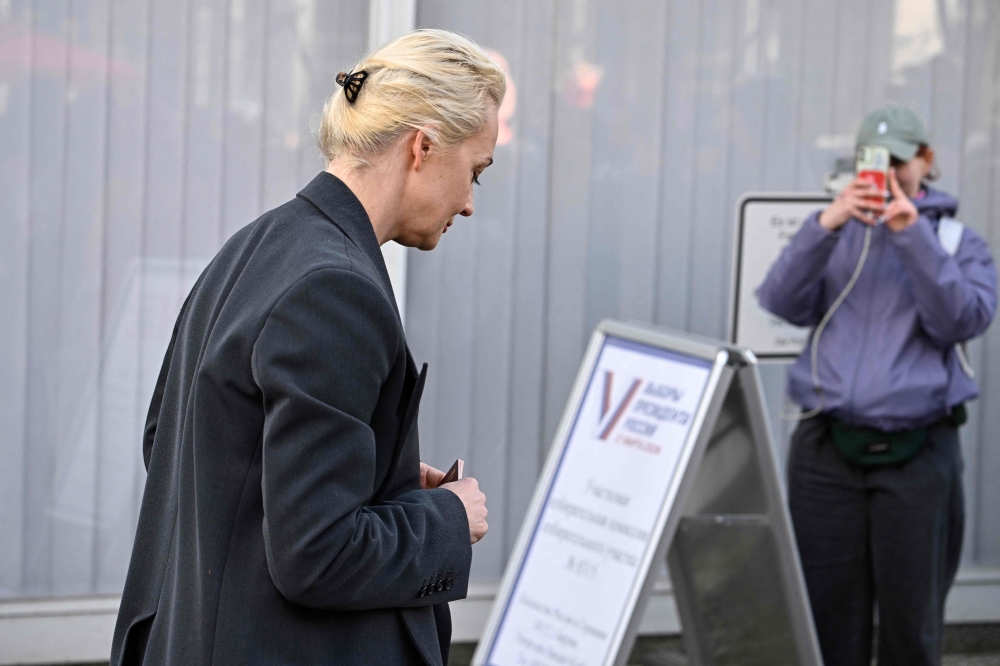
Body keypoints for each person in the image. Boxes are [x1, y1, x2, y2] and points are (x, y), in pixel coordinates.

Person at [110, 29, 504, 666]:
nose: (468, 204)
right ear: (423, 146)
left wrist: (378, 476)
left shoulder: (255, 245)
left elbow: (177, 442)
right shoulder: (336, 288)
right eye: (476, 174)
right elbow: (317, 553)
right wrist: (448, 522)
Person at [758, 106, 997, 666]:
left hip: (917, 453)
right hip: (826, 451)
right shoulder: (835, 231)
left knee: (909, 621)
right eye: (876, 160)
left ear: (926, 161)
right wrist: (826, 224)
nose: (888, 174)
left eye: (900, 160)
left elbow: (961, 321)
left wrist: (912, 235)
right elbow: (780, 302)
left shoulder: (957, 240)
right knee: (825, 615)